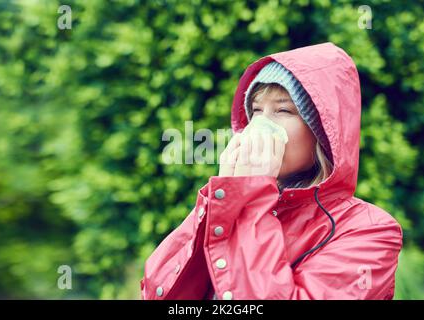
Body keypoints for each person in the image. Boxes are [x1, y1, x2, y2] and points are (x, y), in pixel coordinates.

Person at [140, 42, 403, 300]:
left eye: (283, 110)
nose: (260, 126)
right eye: (256, 110)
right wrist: (223, 199)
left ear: (323, 134)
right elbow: (156, 293)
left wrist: (250, 201)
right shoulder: (230, 201)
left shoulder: (370, 231)